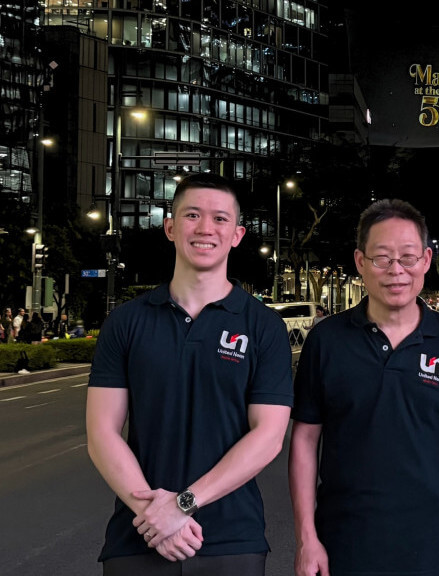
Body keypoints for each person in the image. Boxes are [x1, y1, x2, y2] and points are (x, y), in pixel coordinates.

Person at [86, 173, 294, 575]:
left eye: (220, 219)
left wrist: (182, 505)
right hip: (138, 537)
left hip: (232, 539)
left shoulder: (263, 326)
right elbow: (101, 433)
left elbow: (269, 436)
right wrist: (155, 517)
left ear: (237, 234)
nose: (205, 229)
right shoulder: (126, 322)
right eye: (192, 215)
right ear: (170, 227)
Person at [289, 198, 439, 576]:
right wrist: (307, 538)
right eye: (382, 258)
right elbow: (305, 440)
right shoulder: (326, 340)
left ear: (425, 260)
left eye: (407, 258)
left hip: (434, 540)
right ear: (360, 262)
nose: (396, 271)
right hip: (345, 538)